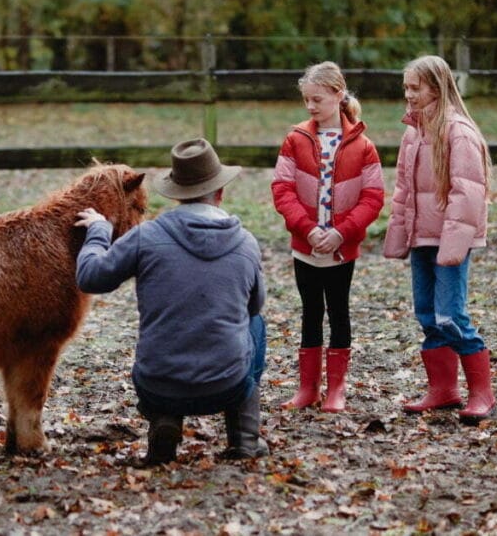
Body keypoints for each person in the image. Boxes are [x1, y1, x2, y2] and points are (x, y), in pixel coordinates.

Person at [74, 138, 268, 464]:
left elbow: (90, 277)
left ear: (176, 193)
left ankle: (164, 420)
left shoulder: (146, 236)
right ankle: (244, 440)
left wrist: (99, 231)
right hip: (226, 385)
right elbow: (254, 306)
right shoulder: (246, 243)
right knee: (255, 323)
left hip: (158, 386)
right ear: (220, 192)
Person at [384, 54, 496, 425]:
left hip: (450, 239)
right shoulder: (413, 131)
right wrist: (401, 233)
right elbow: (403, 189)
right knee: (428, 314)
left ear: (436, 87)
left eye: (415, 87)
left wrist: (453, 245)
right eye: (406, 87)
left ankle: (482, 393)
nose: (408, 94)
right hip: (422, 237)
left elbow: (468, 192)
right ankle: (443, 390)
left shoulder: (458, 132)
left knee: (451, 315)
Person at [270, 61, 384, 413]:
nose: (310, 106)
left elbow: (373, 197)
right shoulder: (295, 140)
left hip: (341, 249)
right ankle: (308, 389)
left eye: (317, 99)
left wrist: (341, 233)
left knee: (338, 311)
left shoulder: (363, 146)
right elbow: (282, 189)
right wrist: (307, 229)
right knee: (309, 312)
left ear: (338, 95)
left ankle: (336, 389)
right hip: (304, 246)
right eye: (306, 99)